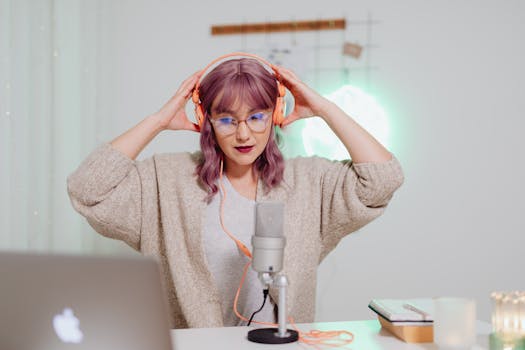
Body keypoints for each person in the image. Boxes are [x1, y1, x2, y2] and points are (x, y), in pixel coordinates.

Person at [67, 53, 404, 329]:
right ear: (206, 119)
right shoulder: (168, 180)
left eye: (257, 117)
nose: (244, 134)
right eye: (227, 119)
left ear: (276, 115)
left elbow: (383, 180)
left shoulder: (308, 183)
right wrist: (158, 120)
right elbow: (87, 190)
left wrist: (324, 108)